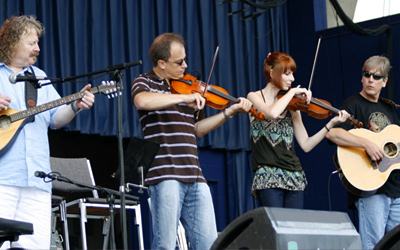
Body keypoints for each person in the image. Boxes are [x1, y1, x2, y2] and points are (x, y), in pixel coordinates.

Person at [131, 32, 253, 249]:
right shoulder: (145, 81)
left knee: (209, 244)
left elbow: (197, 130)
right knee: (165, 244)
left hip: (195, 175)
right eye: (179, 62)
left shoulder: (189, 87)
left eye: (185, 60)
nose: (185, 66)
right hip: (165, 174)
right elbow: (142, 101)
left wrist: (230, 112)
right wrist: (185, 97)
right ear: (161, 64)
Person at [0, 15, 95, 249]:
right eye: (32, 43)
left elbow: (56, 119)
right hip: (3, 179)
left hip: (38, 179)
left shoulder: (39, 77)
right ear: (13, 42)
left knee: (36, 245)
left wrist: (74, 106)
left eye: (37, 42)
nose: (38, 48)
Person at [247, 52, 349, 208]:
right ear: (272, 72)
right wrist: (293, 92)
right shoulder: (254, 97)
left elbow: (306, 145)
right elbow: (271, 113)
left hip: (294, 175)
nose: (292, 79)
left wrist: (331, 123)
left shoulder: (293, 107)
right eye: (287, 74)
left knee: (294, 228)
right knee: (275, 228)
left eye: (293, 74)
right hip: (267, 175)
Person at [326, 55, 400, 249]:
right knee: (373, 245)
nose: (370, 80)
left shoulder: (390, 109)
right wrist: (367, 144)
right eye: (367, 74)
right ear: (361, 77)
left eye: (376, 77)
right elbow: (333, 133)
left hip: (395, 188)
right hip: (371, 188)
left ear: (384, 82)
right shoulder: (352, 104)